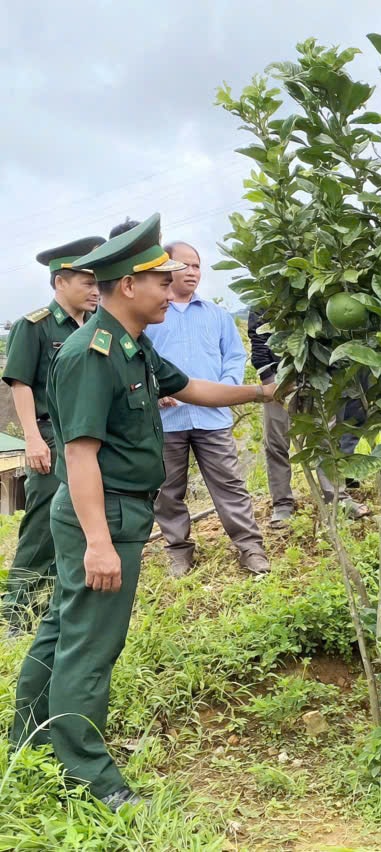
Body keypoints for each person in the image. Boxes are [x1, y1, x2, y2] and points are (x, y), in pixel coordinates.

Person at [8, 215, 280, 811]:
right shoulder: (91, 354)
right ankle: (89, 778)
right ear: (128, 285)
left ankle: (27, 738)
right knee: (91, 645)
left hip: (117, 513)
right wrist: (98, 543)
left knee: (61, 631)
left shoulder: (134, 344)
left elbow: (191, 389)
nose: (172, 288)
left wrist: (261, 393)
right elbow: (79, 457)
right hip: (100, 515)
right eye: (161, 280)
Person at [146, 242, 270, 578]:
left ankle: (250, 547)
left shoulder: (217, 316)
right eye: (184, 265)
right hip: (166, 420)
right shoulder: (151, 315)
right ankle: (178, 551)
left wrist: (226, 389)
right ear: (166, 269)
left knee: (229, 483)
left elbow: (233, 356)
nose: (192, 272)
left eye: (197, 266)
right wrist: (155, 392)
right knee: (168, 489)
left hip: (212, 417)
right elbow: (140, 363)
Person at [2, 236, 103, 637]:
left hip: (87, 439)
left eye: (98, 282)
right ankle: (16, 614)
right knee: (41, 526)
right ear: (61, 281)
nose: (96, 289)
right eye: (87, 281)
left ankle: (63, 602)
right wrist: (32, 439)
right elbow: (20, 383)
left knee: (82, 522)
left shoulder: (96, 325)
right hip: (49, 436)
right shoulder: (36, 325)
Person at [246, 311, 369, 525]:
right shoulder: (266, 296)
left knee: (327, 436)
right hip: (278, 375)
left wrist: (327, 370)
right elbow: (257, 336)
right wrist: (268, 378)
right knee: (276, 442)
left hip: (318, 371)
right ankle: (282, 504)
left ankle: (337, 497)